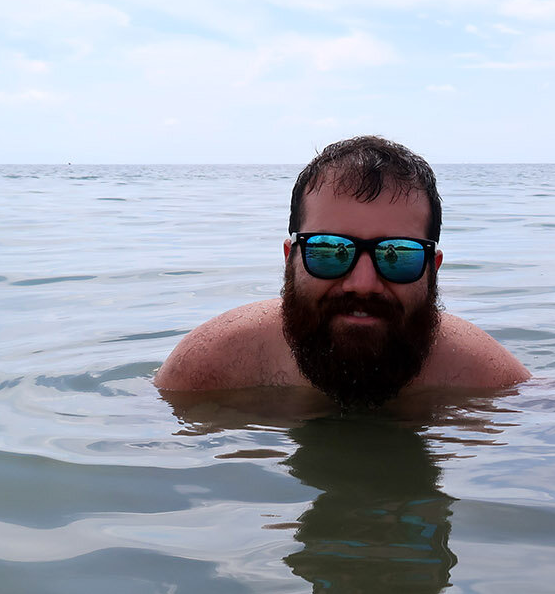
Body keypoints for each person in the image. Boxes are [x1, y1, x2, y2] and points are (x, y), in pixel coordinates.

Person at [155, 135, 528, 406]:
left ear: (432, 268)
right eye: (330, 251)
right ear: (291, 258)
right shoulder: (209, 368)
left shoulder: (489, 381)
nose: (362, 284)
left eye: (397, 254)